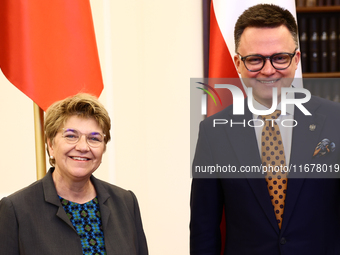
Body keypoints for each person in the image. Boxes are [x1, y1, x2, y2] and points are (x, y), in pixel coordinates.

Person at [190, 4, 340, 255]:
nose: (268, 70)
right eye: (255, 60)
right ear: (238, 63)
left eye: (280, 57)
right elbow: (204, 230)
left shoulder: (335, 120)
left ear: (297, 59)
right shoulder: (214, 132)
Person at [0, 93, 148, 255]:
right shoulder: (16, 210)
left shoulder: (126, 202)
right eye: (71, 136)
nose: (83, 147)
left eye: (94, 138)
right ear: (50, 144)